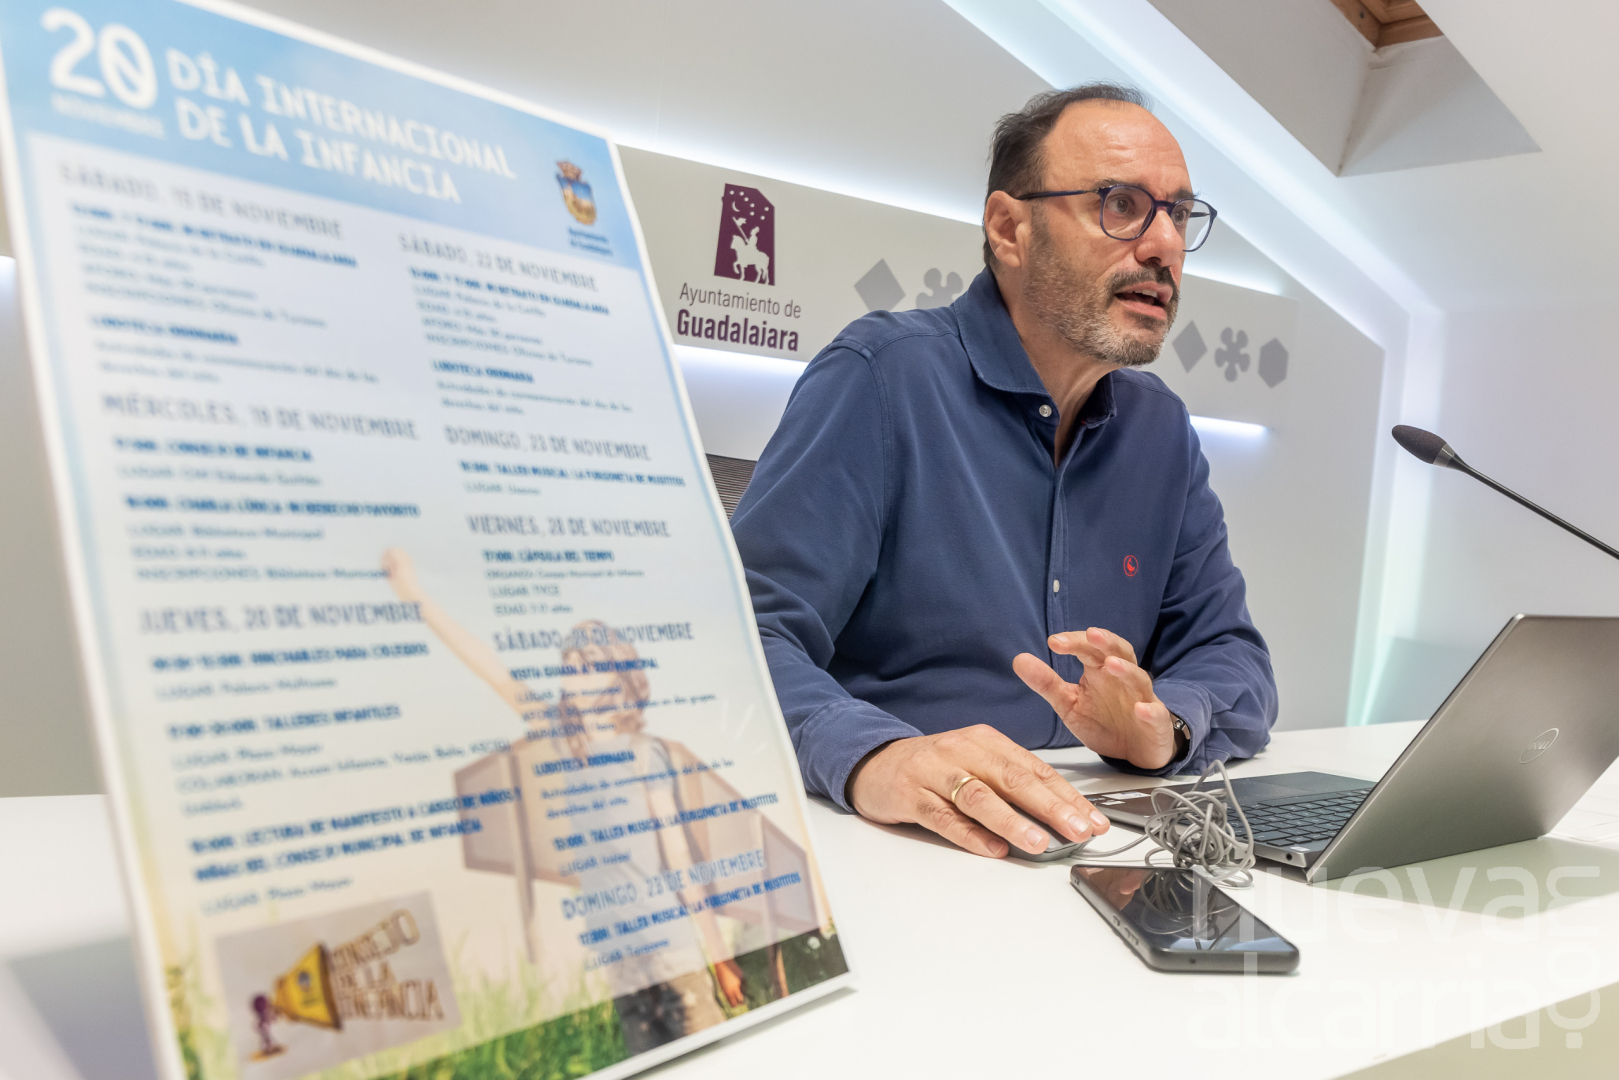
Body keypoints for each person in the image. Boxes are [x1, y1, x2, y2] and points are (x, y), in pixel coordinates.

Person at [730, 84, 1278, 861]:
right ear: (1008, 229)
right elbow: (743, 640)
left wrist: (1164, 726)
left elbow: (1233, 658)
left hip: (1102, 842)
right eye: (1121, 205)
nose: (1163, 246)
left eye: (1178, 215)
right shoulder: (881, 378)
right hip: (910, 849)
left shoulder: (1161, 431)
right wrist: (878, 755)